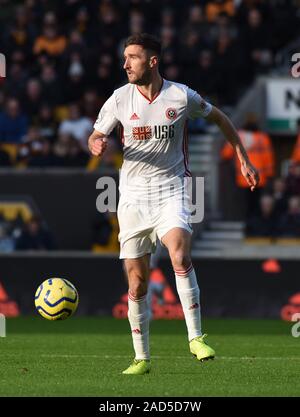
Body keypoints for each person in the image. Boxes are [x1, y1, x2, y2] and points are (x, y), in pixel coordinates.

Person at [88, 33, 259, 375]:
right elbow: (96, 132)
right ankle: (141, 358)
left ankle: (196, 337)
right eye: (125, 58)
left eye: (133, 57)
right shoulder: (119, 99)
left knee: (179, 253)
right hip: (133, 198)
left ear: (152, 61)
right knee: (136, 283)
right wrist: (97, 141)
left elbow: (220, 119)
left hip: (173, 189)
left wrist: (242, 157)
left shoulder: (181, 96)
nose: (125, 64)